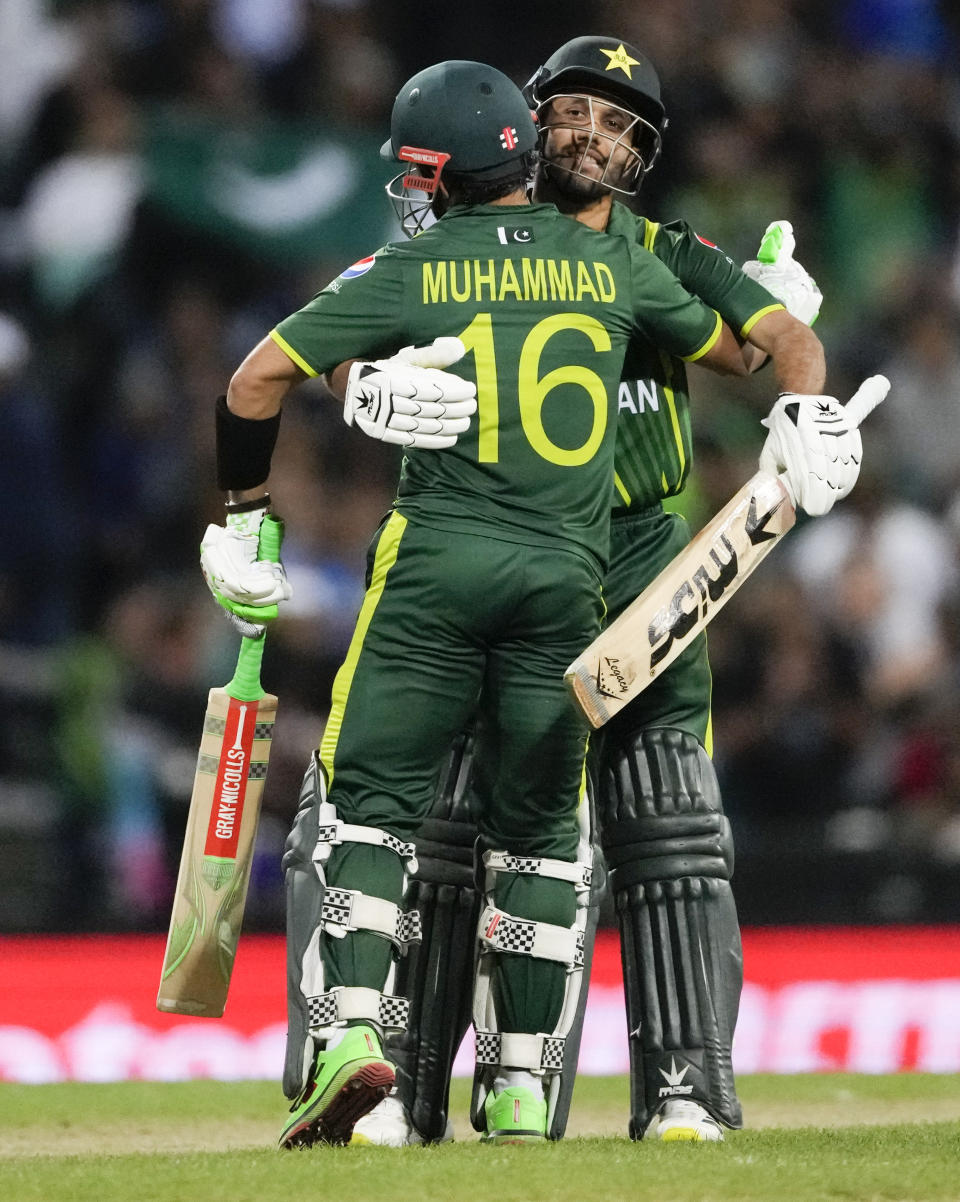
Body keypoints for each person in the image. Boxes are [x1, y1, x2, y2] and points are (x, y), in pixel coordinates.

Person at [200, 58, 759, 1148]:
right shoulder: (612, 263)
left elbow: (258, 373)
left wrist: (249, 508)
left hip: (442, 565)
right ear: (529, 136)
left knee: (367, 804)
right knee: (546, 834)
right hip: (575, 579)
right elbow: (742, 348)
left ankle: (355, 1042)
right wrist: (792, 352)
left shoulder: (426, 258)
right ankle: (513, 1089)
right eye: (573, 113)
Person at [350, 36, 883, 1148]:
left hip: (642, 560)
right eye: (577, 113)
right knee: (455, 821)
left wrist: (804, 412)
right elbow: (349, 321)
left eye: (622, 125)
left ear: (641, 155)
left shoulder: (664, 252)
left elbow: (781, 342)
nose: (596, 136)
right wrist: (369, 384)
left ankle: (687, 1087)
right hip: (497, 542)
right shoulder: (453, 239)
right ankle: (397, 1087)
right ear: (528, 124)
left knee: (668, 818)